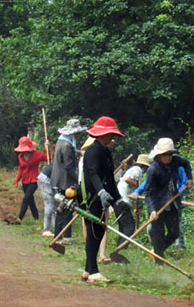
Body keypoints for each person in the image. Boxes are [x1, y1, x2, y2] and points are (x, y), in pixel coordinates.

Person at [80, 116, 124, 284]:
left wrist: (117, 199)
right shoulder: (92, 151)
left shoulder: (106, 151)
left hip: (103, 198)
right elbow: (93, 175)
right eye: (110, 134)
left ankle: (87, 270)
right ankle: (93, 271)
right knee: (93, 233)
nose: (112, 138)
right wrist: (100, 191)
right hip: (91, 198)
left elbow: (109, 178)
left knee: (98, 233)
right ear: (102, 134)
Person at [143, 138, 193, 265]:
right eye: (164, 154)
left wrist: (189, 178)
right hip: (158, 205)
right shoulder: (153, 169)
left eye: (170, 154)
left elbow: (186, 163)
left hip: (173, 203)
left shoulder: (176, 161)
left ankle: (157, 251)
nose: (168, 157)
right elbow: (148, 192)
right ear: (159, 155)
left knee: (174, 233)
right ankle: (159, 263)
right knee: (158, 235)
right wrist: (152, 210)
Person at [51, 118, 87, 243]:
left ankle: (66, 235)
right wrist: (78, 179)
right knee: (63, 207)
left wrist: (77, 152)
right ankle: (58, 236)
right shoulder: (66, 145)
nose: (78, 135)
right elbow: (68, 165)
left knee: (68, 207)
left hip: (61, 179)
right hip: (64, 180)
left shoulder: (62, 141)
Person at [114, 154, 150, 250]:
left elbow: (132, 193)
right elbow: (127, 179)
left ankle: (119, 248)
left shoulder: (135, 170)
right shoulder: (137, 170)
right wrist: (138, 186)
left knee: (123, 227)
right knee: (130, 227)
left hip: (120, 200)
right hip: (122, 200)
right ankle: (122, 248)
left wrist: (135, 208)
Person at [13, 136, 47, 221]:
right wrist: (17, 180)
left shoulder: (37, 154)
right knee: (30, 200)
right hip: (24, 181)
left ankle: (19, 218)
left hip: (34, 180)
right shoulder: (20, 156)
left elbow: (47, 158)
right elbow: (21, 169)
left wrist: (46, 148)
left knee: (26, 198)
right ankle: (36, 218)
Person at [37, 163, 55, 237]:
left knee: (53, 205)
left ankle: (56, 229)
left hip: (46, 179)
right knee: (49, 205)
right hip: (45, 180)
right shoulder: (63, 166)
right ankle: (46, 230)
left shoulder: (60, 164)